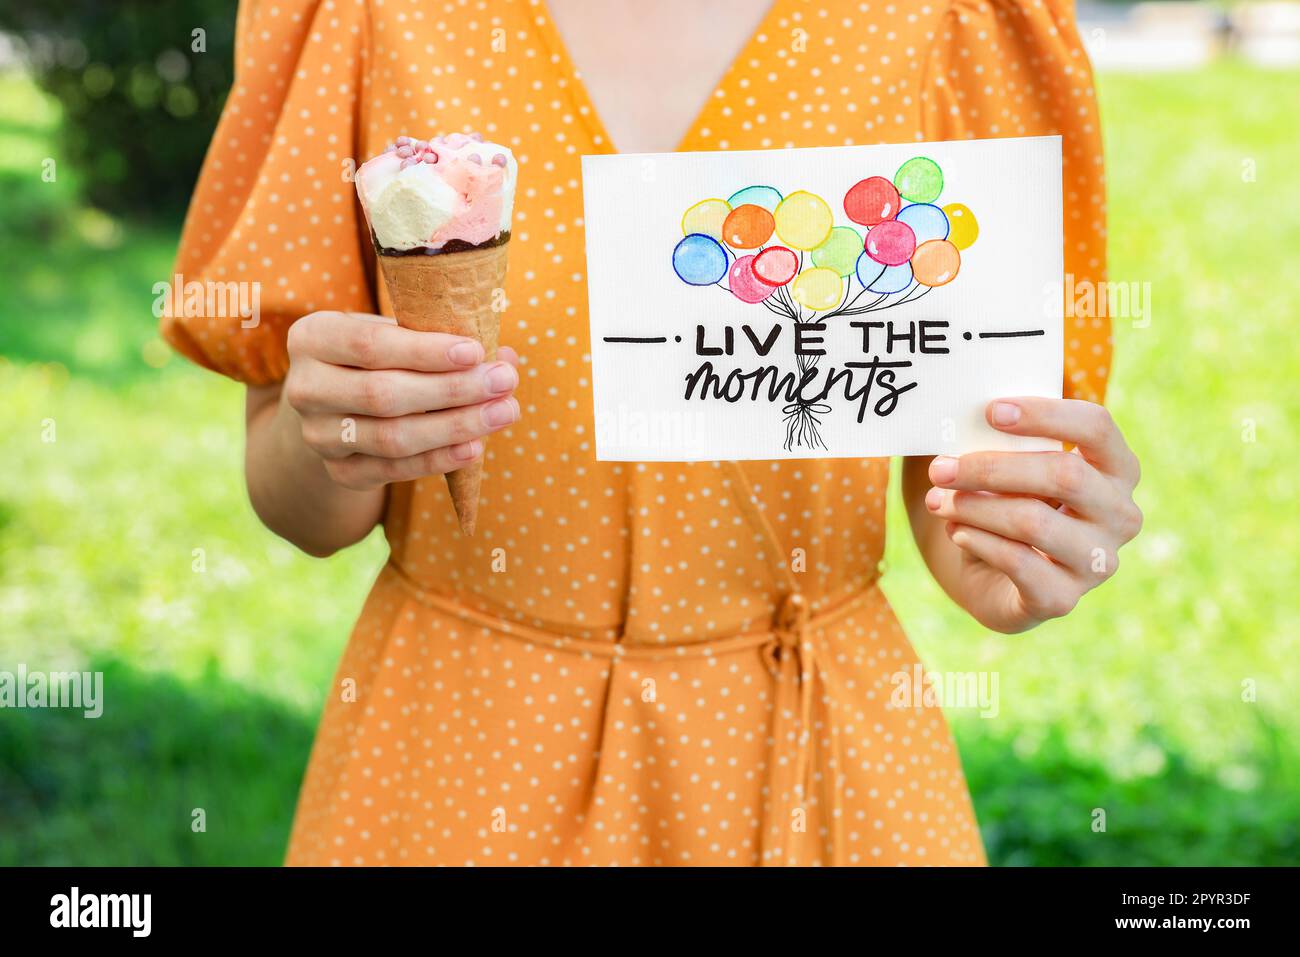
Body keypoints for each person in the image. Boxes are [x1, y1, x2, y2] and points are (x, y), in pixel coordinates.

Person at [163, 0, 1141, 865]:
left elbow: (964, 458)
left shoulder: (953, 16)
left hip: (816, 757)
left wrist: (1012, 543)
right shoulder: (365, 13)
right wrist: (324, 433)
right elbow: (306, 503)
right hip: (463, 746)